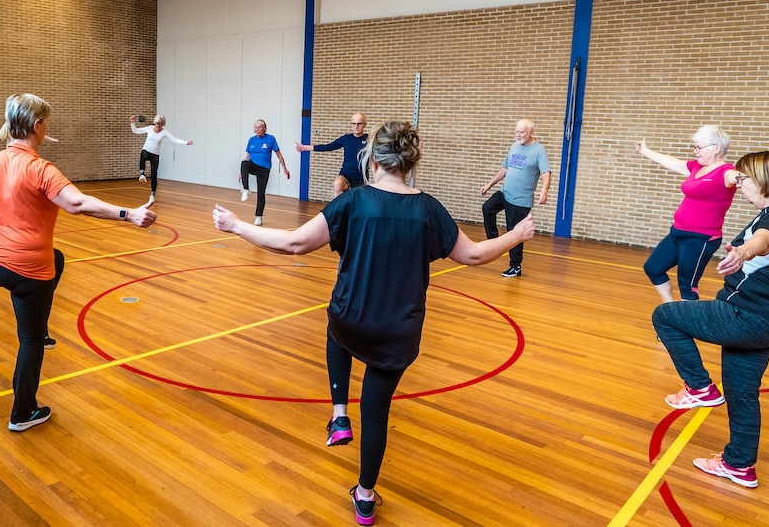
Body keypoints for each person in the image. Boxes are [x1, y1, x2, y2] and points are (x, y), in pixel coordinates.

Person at [213, 121, 533, 525]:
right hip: (397, 334)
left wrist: (237, 226)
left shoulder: (354, 201)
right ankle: (365, 497)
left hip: (350, 320)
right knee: (376, 411)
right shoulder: (428, 209)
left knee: (336, 330)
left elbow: (294, 243)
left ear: (373, 161)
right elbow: (473, 255)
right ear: (410, 162)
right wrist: (516, 234)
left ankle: (339, 414)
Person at [0, 94, 155, 432]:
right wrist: (129, 214)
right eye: (46, 122)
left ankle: (42, 327)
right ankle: (23, 411)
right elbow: (78, 204)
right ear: (38, 126)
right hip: (26, 267)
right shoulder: (41, 169)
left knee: (58, 259)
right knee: (30, 341)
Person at [652, 151, 769, 489]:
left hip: (745, 314)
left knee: (666, 316)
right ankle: (739, 465)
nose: (739, 184)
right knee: (742, 393)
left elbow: (765, 240)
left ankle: (699, 388)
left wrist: (746, 251)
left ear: (764, 181)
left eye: (744, 179)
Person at [636, 126, 738, 302]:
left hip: (701, 238)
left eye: (699, 147)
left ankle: (687, 319)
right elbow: (672, 162)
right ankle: (670, 308)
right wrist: (645, 151)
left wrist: (744, 179)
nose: (695, 151)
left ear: (716, 148)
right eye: (694, 147)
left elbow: (736, 177)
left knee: (687, 286)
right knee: (653, 268)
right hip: (678, 232)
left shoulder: (725, 172)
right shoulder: (697, 167)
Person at [479, 119, 550, 278]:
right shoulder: (514, 146)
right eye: (516, 131)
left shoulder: (539, 150)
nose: (518, 135)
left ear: (531, 132)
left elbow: (546, 172)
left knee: (515, 232)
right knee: (487, 208)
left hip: (521, 200)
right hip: (505, 192)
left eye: (522, 132)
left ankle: (515, 266)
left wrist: (544, 190)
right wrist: (489, 184)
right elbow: (505, 169)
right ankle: (493, 240)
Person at [295, 113, 369, 199]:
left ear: (364, 124)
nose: (356, 126)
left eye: (359, 124)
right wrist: (304, 147)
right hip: (346, 175)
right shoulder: (346, 139)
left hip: (361, 178)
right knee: (337, 184)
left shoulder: (369, 139)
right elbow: (328, 147)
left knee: (358, 202)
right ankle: (339, 207)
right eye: (354, 123)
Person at [130, 114, 193, 203]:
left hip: (155, 155)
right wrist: (132, 122)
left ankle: (152, 194)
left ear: (163, 124)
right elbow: (135, 130)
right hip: (147, 150)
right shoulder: (149, 128)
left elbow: (174, 139)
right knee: (143, 154)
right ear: (154, 123)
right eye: (157, 124)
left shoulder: (164, 132)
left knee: (154, 176)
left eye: (160, 124)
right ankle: (142, 174)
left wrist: (186, 142)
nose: (158, 126)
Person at [240, 119, 290, 226]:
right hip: (253, 165)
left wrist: (284, 168)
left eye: (259, 127)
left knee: (261, 192)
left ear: (264, 128)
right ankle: (246, 189)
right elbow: (247, 156)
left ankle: (259, 217)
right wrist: (242, 172)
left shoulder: (270, 139)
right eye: (255, 127)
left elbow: (279, 154)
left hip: (264, 168)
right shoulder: (251, 140)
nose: (257, 129)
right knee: (244, 163)